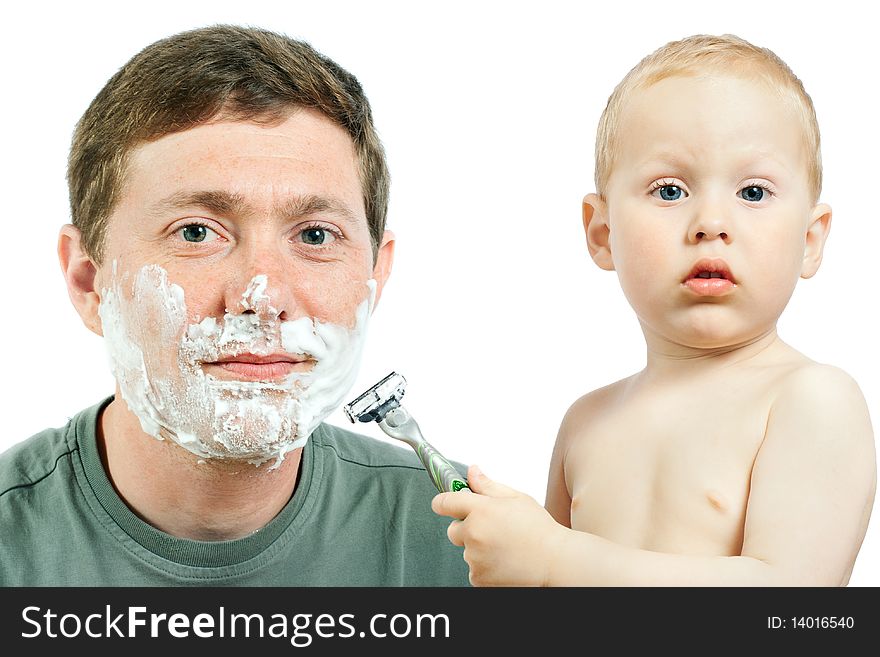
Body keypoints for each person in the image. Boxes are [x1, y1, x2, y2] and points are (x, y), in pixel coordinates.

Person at [0, 25, 469, 586]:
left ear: (375, 277)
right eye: (197, 232)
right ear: (87, 281)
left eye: (315, 236)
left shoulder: (466, 543)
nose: (263, 297)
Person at [432, 34, 876, 586]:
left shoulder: (811, 401)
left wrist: (551, 559)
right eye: (669, 191)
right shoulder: (586, 424)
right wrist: (515, 552)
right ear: (603, 233)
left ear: (810, 240)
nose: (711, 221)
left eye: (754, 193)